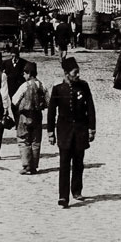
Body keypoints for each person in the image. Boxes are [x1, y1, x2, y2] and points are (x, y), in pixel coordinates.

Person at [47, 57, 96, 209]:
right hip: (64, 132)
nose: (78, 75)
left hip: (80, 130)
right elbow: (51, 112)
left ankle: (76, 190)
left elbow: (90, 108)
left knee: (78, 163)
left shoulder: (83, 86)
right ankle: (63, 196)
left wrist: (91, 128)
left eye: (78, 72)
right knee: (64, 164)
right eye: (75, 73)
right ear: (67, 73)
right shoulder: (57, 89)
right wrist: (50, 132)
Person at [12, 61, 48, 175]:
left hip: (25, 116)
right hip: (37, 116)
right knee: (36, 141)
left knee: (24, 139)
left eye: (25, 73)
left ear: (28, 73)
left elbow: (14, 100)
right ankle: (34, 166)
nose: (24, 75)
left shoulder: (24, 86)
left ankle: (26, 165)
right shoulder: (42, 85)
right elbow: (48, 100)